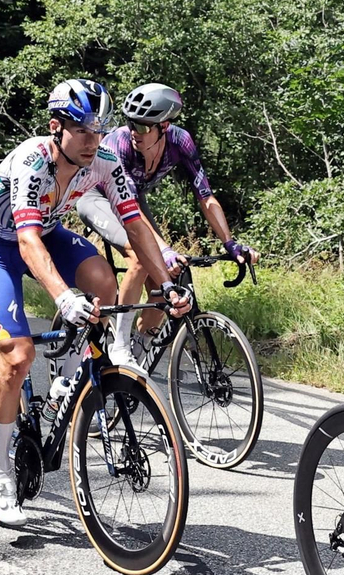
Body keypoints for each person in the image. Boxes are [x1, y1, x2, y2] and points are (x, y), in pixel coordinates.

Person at [0, 78, 188, 527]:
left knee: (105, 283)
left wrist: (164, 285)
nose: (94, 142)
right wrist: (63, 297)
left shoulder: (103, 161)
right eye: (84, 131)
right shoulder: (33, 162)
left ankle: (66, 375)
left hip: (46, 234)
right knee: (17, 355)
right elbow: (26, 241)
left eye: (101, 131)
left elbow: (137, 226)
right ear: (56, 128)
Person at [97, 84, 257, 367]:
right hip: (96, 196)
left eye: (144, 127)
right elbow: (129, 212)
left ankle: (140, 347)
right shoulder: (118, 143)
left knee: (165, 282)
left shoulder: (180, 142)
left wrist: (229, 243)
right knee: (140, 258)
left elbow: (205, 196)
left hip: (133, 201)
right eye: (131, 123)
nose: (135, 131)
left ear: (164, 126)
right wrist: (165, 250)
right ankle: (119, 347)